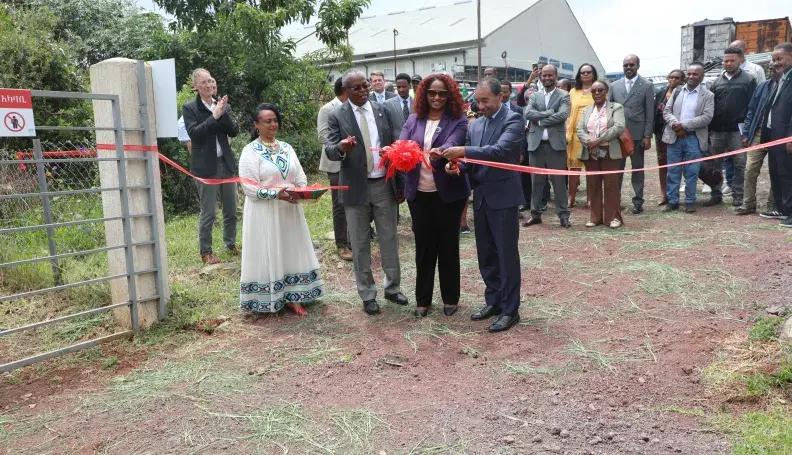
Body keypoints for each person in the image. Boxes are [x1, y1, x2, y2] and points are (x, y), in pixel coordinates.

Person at [443, 77, 524, 333]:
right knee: (486, 255)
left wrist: (463, 152)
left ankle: (511, 310)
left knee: (506, 255)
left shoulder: (513, 120)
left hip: (504, 198)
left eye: (485, 101)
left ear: (500, 97)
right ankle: (494, 302)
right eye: (477, 101)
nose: (480, 106)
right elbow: (474, 162)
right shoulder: (475, 125)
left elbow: (499, 152)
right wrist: (457, 166)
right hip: (481, 198)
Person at [325, 69, 407, 315]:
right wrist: (340, 147)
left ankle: (392, 288)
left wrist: (396, 169)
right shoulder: (336, 115)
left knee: (389, 238)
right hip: (355, 187)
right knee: (360, 243)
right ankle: (367, 293)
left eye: (365, 86)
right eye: (356, 88)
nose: (363, 91)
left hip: (384, 183)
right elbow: (330, 149)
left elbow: (397, 143)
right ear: (346, 90)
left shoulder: (383, 110)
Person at [237, 104, 323, 316]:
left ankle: (294, 297)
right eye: (267, 121)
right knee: (269, 249)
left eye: (275, 120)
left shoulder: (286, 147)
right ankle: (270, 297)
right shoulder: (250, 151)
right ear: (257, 125)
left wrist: (300, 192)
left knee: (290, 249)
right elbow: (249, 187)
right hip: (264, 213)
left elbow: (300, 176)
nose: (272, 124)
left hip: (289, 210)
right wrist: (276, 194)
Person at [400, 73, 469, 318]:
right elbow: (403, 145)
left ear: (449, 95)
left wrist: (439, 151)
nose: (436, 97)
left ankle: (450, 298)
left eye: (441, 93)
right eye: (431, 93)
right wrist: (396, 151)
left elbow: (453, 142)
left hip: (449, 193)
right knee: (424, 247)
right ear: (424, 95)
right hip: (418, 194)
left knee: (448, 246)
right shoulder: (413, 119)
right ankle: (422, 300)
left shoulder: (458, 120)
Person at [182, 68, 240, 265]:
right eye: (205, 82)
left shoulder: (222, 105)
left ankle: (231, 244)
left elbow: (233, 131)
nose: (209, 85)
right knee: (208, 212)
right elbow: (195, 134)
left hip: (226, 163)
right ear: (195, 86)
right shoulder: (190, 108)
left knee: (231, 209)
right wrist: (213, 116)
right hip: (205, 167)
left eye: (211, 81)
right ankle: (206, 252)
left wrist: (222, 113)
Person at [704, 47, 758, 208]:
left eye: (731, 60)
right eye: (725, 61)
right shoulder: (716, 82)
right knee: (715, 165)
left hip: (737, 131)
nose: (728, 63)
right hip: (717, 131)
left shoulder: (749, 80)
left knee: (739, 164)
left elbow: (752, 107)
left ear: (740, 60)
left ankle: (738, 196)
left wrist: (747, 131)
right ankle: (716, 195)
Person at [661, 63, 715, 213]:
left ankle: (690, 201)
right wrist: (674, 125)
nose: (691, 77)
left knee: (692, 171)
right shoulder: (677, 91)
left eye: (695, 74)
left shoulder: (708, 95)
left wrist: (682, 125)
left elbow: (706, 118)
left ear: (701, 77)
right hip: (674, 137)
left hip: (694, 138)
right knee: (673, 170)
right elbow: (667, 111)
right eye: (689, 74)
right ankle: (673, 201)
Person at [523, 64, 572, 228]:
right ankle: (535, 214)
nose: (547, 78)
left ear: (556, 76)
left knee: (559, 182)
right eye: (544, 75)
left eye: (550, 75)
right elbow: (527, 114)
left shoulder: (564, 95)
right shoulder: (534, 96)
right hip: (536, 145)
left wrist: (540, 120)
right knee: (536, 182)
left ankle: (564, 216)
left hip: (555, 146)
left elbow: (563, 115)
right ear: (540, 77)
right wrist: (549, 113)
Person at [576, 81, 626, 228]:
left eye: (600, 90)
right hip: (590, 152)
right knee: (593, 185)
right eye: (594, 91)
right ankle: (595, 217)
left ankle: (613, 218)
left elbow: (619, 126)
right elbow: (580, 129)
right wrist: (589, 142)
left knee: (611, 185)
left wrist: (599, 140)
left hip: (609, 151)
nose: (596, 93)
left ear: (606, 92)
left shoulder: (616, 107)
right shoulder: (587, 110)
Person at [609, 54, 655, 214]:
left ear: (638, 66)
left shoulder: (647, 85)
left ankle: (638, 202)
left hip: (637, 135)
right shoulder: (614, 85)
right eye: (625, 65)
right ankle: (615, 200)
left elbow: (650, 113)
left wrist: (647, 135)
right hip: (617, 135)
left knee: (637, 169)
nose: (628, 68)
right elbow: (609, 111)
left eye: (631, 65)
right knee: (617, 169)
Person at [722, 40, 768, 191]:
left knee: (741, 157)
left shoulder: (755, 70)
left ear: (742, 53)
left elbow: (762, 95)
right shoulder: (724, 72)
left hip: (745, 121)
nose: (729, 60)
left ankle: (738, 188)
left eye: (736, 50)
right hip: (728, 122)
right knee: (728, 155)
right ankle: (729, 184)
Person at [735, 62, 780, 215]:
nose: (773, 71)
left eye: (776, 68)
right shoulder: (762, 87)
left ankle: (773, 205)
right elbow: (751, 110)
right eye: (771, 69)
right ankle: (748, 204)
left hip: (778, 135)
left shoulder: (787, 86)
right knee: (750, 170)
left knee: (776, 171)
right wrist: (746, 133)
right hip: (759, 132)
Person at [317, 77, 352, 261]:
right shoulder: (327, 109)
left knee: (355, 201)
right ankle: (342, 244)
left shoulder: (355, 107)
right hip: (335, 163)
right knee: (340, 204)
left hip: (354, 162)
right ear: (346, 89)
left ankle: (354, 239)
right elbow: (323, 136)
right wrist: (343, 143)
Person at [766, 43, 792, 228]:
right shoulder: (783, 78)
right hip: (775, 135)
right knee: (777, 172)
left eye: (779, 59)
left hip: (786, 137)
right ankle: (782, 208)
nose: (775, 63)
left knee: (788, 174)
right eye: (774, 59)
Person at [566, 64, 598, 208]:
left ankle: (591, 199)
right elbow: (568, 112)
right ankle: (571, 197)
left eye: (588, 72)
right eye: (582, 72)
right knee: (573, 169)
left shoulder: (599, 90)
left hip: (593, 135)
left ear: (593, 74)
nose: (585, 74)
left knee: (591, 169)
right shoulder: (573, 91)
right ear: (579, 75)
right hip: (575, 135)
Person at [653, 69, 685, 206]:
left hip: (679, 132)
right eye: (671, 77)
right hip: (661, 133)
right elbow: (655, 111)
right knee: (663, 163)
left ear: (682, 80)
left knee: (677, 164)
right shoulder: (660, 92)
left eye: (677, 78)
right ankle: (663, 193)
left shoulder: (684, 93)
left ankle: (675, 194)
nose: (673, 80)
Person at [383, 73, 414, 139]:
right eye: (398, 87)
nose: (401, 90)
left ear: (410, 86)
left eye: (404, 87)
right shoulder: (388, 104)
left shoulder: (417, 103)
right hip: (396, 144)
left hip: (415, 144)